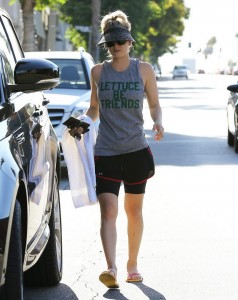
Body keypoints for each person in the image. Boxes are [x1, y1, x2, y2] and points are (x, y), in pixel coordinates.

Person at [69, 9, 164, 288]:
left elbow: (155, 104)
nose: (116, 47)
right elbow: (94, 109)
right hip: (107, 151)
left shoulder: (143, 70)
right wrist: (83, 123)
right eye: (110, 43)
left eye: (120, 41)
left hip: (136, 151)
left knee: (134, 212)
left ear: (130, 41)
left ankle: (132, 265)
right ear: (106, 45)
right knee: (108, 211)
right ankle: (110, 268)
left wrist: (158, 122)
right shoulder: (98, 72)